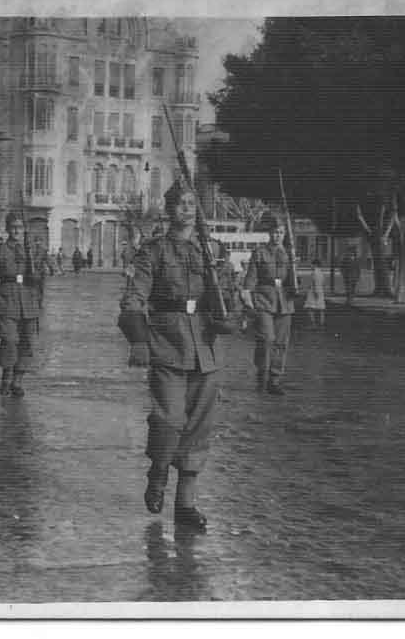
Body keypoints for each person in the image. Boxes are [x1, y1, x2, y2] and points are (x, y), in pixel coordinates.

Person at [117, 184, 224, 532]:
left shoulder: (211, 251)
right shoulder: (154, 252)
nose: (188, 210)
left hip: (204, 349)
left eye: (193, 204)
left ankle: (186, 505)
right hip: (168, 344)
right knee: (169, 420)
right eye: (181, 204)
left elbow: (228, 294)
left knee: (198, 428)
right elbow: (134, 298)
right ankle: (158, 471)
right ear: (169, 210)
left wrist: (233, 312)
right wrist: (138, 339)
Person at [0, 213, 45, 397]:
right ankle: (7, 376)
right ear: (8, 228)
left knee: (27, 343)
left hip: (29, 300)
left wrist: (39, 293)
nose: (16, 230)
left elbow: (42, 279)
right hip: (7, 300)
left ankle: (18, 381)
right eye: (13, 227)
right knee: (9, 340)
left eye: (19, 227)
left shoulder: (33, 250)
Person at [242, 215, 297, 396]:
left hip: (285, 302)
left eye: (281, 232)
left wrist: (295, 280)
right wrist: (247, 298)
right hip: (264, 299)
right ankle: (262, 375)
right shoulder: (260, 252)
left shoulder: (290, 253)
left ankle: (274, 380)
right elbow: (251, 278)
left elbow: (293, 280)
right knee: (266, 339)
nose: (277, 236)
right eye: (274, 232)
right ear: (269, 233)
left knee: (281, 343)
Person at [303, 258, 327, 327]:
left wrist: (315, 291)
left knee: (310, 308)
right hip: (320, 290)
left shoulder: (314, 272)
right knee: (321, 308)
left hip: (313, 291)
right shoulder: (321, 272)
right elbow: (323, 282)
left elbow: (314, 282)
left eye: (312, 264)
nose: (311, 266)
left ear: (315, 265)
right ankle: (322, 322)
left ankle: (313, 323)